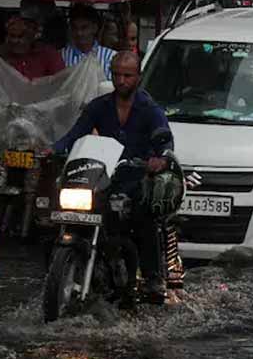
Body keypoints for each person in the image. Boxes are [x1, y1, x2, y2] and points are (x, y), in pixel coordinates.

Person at [52, 51, 173, 300]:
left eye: (127, 75)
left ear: (138, 77)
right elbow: (76, 133)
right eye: (117, 74)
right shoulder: (100, 106)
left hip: (136, 177)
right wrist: (53, 148)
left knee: (144, 216)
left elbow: (164, 139)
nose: (121, 81)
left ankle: (152, 277)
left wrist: (159, 158)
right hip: (102, 175)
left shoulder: (150, 109)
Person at [0, 8, 65, 80]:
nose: (15, 41)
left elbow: (60, 83)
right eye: (12, 36)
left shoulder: (49, 55)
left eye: (21, 36)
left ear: (33, 35)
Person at [61, 3, 116, 74]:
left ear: (95, 28)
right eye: (75, 27)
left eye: (84, 27)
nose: (79, 33)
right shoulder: (61, 56)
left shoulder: (110, 57)